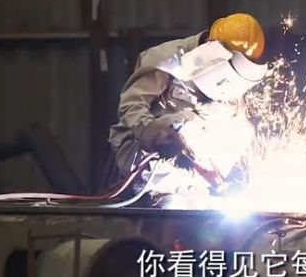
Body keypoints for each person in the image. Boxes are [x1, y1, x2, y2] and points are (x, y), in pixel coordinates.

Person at [106, 13, 267, 193]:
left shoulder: (235, 75)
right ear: (210, 46)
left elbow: (237, 129)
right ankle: (166, 190)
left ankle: (207, 185)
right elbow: (130, 106)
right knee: (188, 122)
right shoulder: (166, 58)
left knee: (243, 128)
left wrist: (234, 170)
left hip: (197, 164)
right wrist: (154, 134)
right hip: (146, 153)